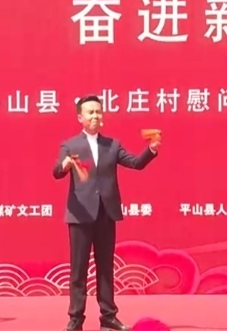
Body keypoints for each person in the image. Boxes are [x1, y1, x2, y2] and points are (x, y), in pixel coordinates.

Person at [53, 95, 160, 331]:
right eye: (90, 112)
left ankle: (108, 317)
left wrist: (151, 150)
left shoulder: (112, 145)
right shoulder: (70, 145)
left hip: (106, 214)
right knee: (78, 270)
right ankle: (76, 319)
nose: (95, 116)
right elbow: (57, 171)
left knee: (105, 268)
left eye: (98, 112)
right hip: (80, 215)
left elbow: (135, 163)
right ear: (80, 117)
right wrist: (65, 165)